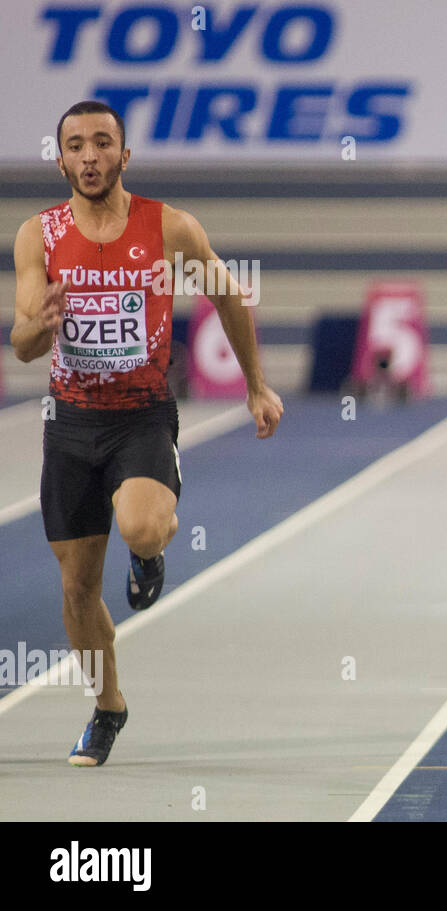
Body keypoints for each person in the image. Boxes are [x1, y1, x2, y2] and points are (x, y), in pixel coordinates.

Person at [9, 100, 284, 766]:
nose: (90, 156)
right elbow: (20, 344)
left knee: (142, 525)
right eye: (76, 145)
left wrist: (256, 384)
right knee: (77, 589)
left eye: (103, 143)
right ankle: (108, 707)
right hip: (69, 423)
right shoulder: (36, 235)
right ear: (61, 159)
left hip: (141, 415)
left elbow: (229, 296)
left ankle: (150, 547)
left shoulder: (170, 228)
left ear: (124, 156)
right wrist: (39, 324)